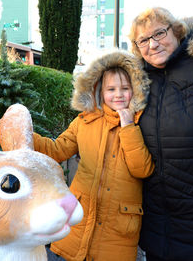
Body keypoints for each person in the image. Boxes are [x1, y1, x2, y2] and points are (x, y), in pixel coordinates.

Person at [33, 50, 155, 261]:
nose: (118, 95)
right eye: (111, 89)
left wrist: (128, 127)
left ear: (135, 90)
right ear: (99, 90)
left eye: (125, 89)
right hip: (78, 223)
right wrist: (26, 133)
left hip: (117, 233)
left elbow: (142, 169)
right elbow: (57, 149)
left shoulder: (141, 122)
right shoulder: (85, 121)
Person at [128, 7, 193, 261]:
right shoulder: (138, 81)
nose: (153, 44)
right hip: (159, 230)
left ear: (177, 31)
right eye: (144, 40)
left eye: (159, 33)